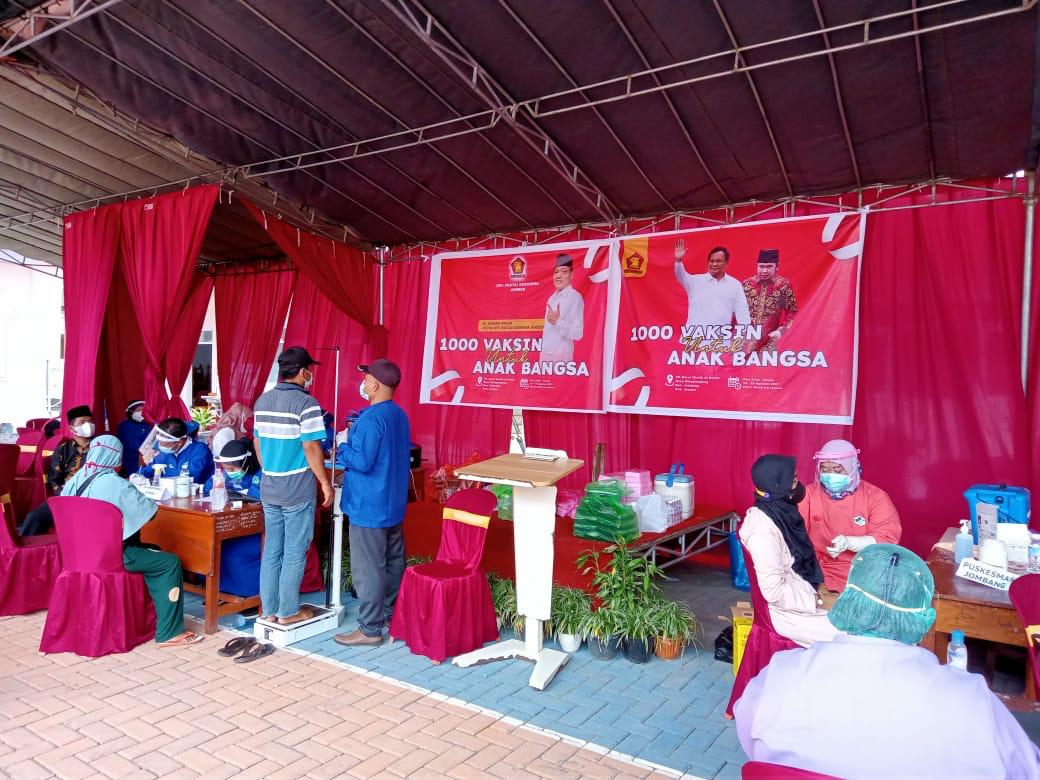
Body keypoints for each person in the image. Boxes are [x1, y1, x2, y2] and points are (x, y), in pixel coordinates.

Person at [735, 544, 1040, 779]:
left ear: (848, 601)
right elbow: (1027, 769)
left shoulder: (782, 673)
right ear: (923, 619)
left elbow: (752, 745)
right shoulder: (970, 700)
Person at [61, 436, 202, 647]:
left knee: (152, 549)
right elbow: (150, 513)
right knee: (169, 562)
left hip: (78, 555)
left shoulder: (74, 480)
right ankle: (170, 633)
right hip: (110, 557)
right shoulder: (115, 484)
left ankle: (146, 617)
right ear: (116, 457)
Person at [334, 359, 411, 647]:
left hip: (368, 506)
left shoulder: (369, 418)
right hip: (392, 504)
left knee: (368, 569)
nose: (363, 383)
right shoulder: (399, 415)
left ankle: (369, 629)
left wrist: (342, 445)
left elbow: (362, 461)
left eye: (366, 378)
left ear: (375, 385)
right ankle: (390, 618)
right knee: (392, 564)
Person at [253, 347, 333, 625]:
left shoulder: (262, 401)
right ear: (302, 372)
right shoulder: (306, 404)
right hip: (297, 490)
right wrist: (325, 483)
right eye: (309, 370)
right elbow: (311, 446)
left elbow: (257, 441)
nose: (310, 375)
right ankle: (288, 613)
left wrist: (270, 469)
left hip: (270, 487)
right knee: (294, 552)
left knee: (272, 549)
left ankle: (269, 610)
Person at [740, 454, 839, 646]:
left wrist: (821, 590)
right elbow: (774, 592)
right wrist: (819, 602)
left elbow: (801, 562)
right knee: (860, 638)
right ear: (777, 485)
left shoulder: (783, 513)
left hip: (803, 595)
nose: (799, 484)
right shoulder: (762, 530)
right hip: (787, 613)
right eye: (793, 481)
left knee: (866, 619)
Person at [803, 439, 901, 595]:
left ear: (852, 467)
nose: (830, 475)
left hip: (861, 569)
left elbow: (886, 538)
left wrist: (850, 542)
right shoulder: (808, 494)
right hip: (816, 569)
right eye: (825, 469)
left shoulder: (875, 497)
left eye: (837, 470)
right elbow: (794, 533)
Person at [19, 405, 95, 536]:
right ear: (72, 428)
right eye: (82, 422)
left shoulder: (101, 446)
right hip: (66, 498)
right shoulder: (62, 449)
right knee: (34, 517)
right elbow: (54, 479)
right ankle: (29, 554)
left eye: (90, 421)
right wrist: (64, 496)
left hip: (94, 497)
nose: (88, 425)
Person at [203, 439, 263, 597]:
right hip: (231, 524)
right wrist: (220, 484)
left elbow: (258, 495)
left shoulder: (260, 473)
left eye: (232, 468)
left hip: (256, 528)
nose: (228, 471)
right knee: (207, 547)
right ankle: (220, 591)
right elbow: (209, 487)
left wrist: (240, 494)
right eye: (225, 468)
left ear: (246, 463)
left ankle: (249, 595)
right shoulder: (226, 473)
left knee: (233, 552)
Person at [674, 241, 751, 334]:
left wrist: (745, 333)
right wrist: (678, 261)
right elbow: (680, 275)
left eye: (718, 261)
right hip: (695, 339)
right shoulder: (695, 281)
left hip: (721, 340)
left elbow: (742, 310)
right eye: (712, 261)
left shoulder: (734, 284)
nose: (714, 264)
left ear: (726, 263)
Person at [741, 248, 798, 351]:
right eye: (761, 266)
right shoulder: (747, 284)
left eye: (769, 267)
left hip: (770, 339)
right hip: (747, 338)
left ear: (777, 267)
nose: (764, 271)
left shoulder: (783, 285)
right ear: (757, 266)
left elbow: (792, 311)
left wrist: (781, 330)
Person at [139, 417, 214, 485]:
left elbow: (191, 478)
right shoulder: (164, 452)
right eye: (159, 443)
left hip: (195, 494)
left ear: (179, 442)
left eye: (165, 445)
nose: (161, 446)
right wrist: (139, 476)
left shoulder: (199, 450)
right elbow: (151, 468)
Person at [541, 253, 585, 362]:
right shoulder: (552, 298)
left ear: (572, 275)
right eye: (556, 272)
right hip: (545, 357)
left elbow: (578, 333)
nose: (559, 276)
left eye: (564, 272)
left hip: (561, 359)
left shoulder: (574, 297)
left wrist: (558, 322)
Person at [116, 400, 150, 476]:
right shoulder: (125, 426)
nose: (141, 412)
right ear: (130, 412)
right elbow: (134, 445)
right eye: (138, 410)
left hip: (147, 460)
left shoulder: (146, 424)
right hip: (131, 462)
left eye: (143, 410)